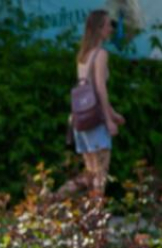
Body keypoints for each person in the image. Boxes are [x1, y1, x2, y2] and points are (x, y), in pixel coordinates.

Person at [67, 9, 125, 196]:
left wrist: (113, 113)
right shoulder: (101, 54)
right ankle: (96, 216)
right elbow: (100, 88)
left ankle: (54, 198)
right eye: (108, 25)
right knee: (100, 174)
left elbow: (88, 90)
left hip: (80, 119)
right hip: (95, 121)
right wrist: (108, 120)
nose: (111, 29)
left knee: (90, 174)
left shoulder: (83, 55)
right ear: (99, 29)